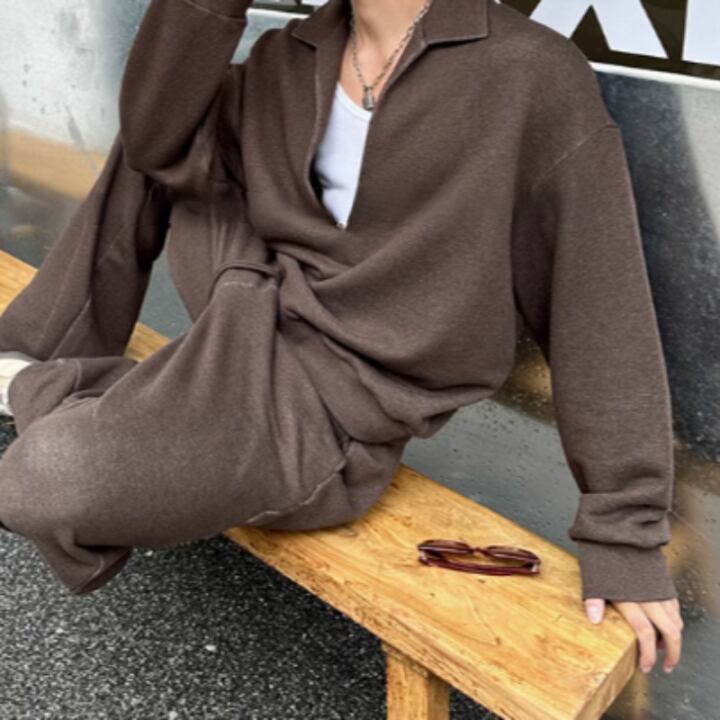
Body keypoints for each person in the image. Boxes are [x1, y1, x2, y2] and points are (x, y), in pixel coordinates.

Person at [0, 0, 683, 673]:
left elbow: (599, 299)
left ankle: (69, 388)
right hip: (252, 299)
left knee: (43, 481)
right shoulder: (292, 53)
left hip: (336, 403)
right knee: (162, 122)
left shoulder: (529, 73)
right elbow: (155, 141)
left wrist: (625, 533)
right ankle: (40, 350)